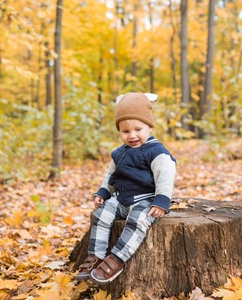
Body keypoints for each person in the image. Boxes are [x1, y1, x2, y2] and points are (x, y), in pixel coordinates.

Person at [74, 92, 176, 286]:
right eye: (125, 131)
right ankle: (95, 256)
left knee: (138, 221)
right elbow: (111, 176)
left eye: (138, 129)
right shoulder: (119, 153)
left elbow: (165, 175)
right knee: (101, 215)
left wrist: (162, 200)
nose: (132, 135)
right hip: (121, 198)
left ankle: (117, 259)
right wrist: (103, 192)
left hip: (146, 200)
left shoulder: (157, 152)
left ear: (149, 126)